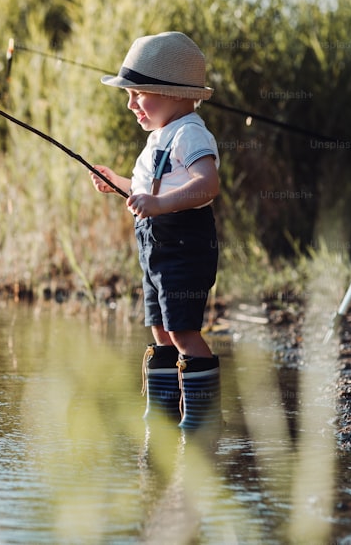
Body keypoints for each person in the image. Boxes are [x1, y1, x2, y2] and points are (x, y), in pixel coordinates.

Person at [90, 31, 221, 431]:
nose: (131, 104)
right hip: (155, 247)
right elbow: (148, 192)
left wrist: (160, 205)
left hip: (184, 241)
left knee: (183, 330)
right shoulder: (156, 140)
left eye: (138, 94)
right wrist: (121, 184)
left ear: (175, 93)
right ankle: (164, 411)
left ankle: (203, 418)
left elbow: (207, 184)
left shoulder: (190, 133)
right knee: (161, 328)